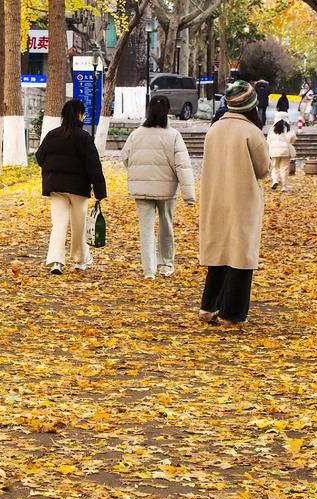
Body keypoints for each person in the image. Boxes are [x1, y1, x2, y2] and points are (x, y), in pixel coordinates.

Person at [198, 81, 270, 327]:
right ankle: (232, 314)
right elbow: (263, 169)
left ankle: (209, 306)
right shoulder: (251, 132)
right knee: (241, 255)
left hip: (215, 198)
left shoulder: (214, 129)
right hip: (242, 201)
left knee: (219, 253)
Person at [120, 95, 196, 279]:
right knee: (166, 226)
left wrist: (139, 173)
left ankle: (149, 270)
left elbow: (125, 158)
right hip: (167, 190)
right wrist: (189, 196)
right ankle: (166, 264)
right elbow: (182, 166)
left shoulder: (136, 135)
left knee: (146, 230)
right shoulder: (173, 136)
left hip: (142, 189)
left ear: (149, 110)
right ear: (168, 111)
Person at [35, 99, 107, 275]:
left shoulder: (52, 135)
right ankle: (80, 260)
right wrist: (100, 191)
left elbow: (39, 157)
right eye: (83, 114)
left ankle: (56, 262)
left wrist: (52, 169)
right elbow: (94, 166)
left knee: (58, 224)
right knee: (79, 225)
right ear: (80, 115)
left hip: (56, 187)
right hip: (79, 189)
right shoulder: (84, 137)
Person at [267, 119, 296, 191]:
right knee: (284, 168)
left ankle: (275, 181)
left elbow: (268, 140)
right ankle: (284, 186)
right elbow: (292, 138)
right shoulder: (288, 127)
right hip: (285, 150)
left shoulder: (272, 128)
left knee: (274, 167)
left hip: (273, 150)